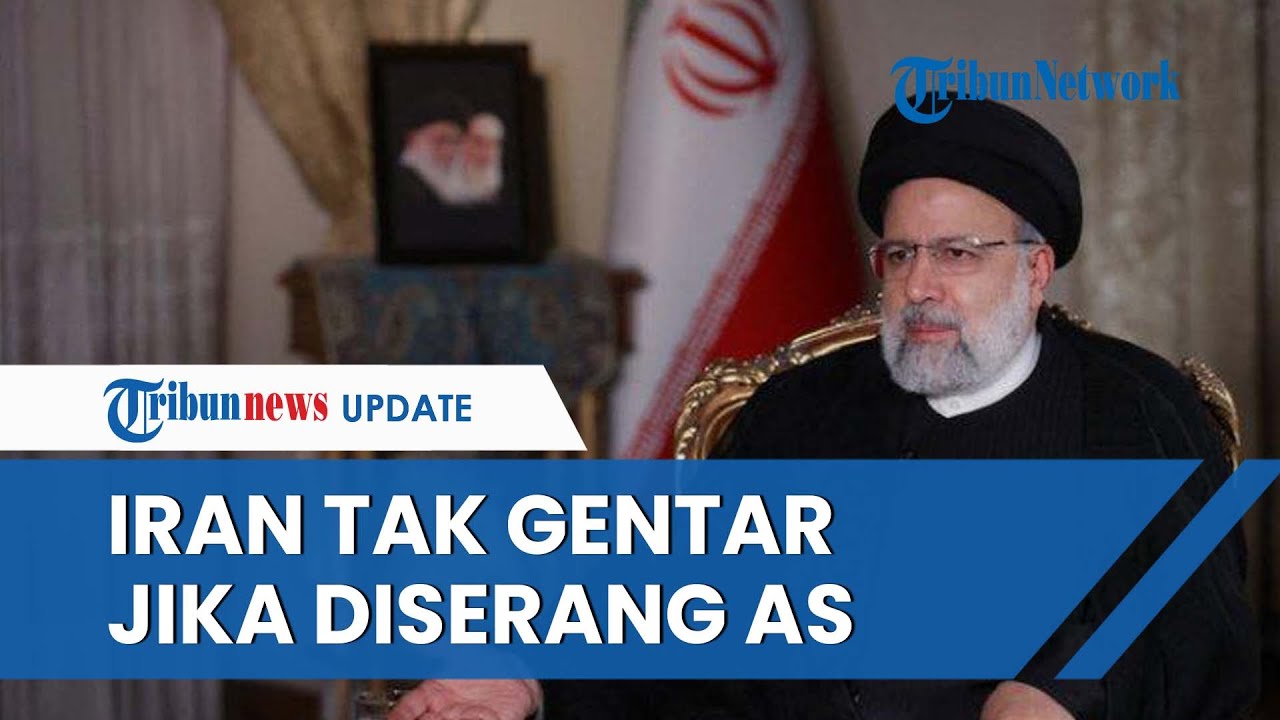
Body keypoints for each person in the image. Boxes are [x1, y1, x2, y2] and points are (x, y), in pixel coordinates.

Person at [390, 95, 1260, 719]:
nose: (920, 285)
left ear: (1035, 271)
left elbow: (1187, 614)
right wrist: (526, 676)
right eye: (900, 254)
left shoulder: (1135, 410)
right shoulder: (801, 410)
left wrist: (1061, 691)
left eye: (958, 254)